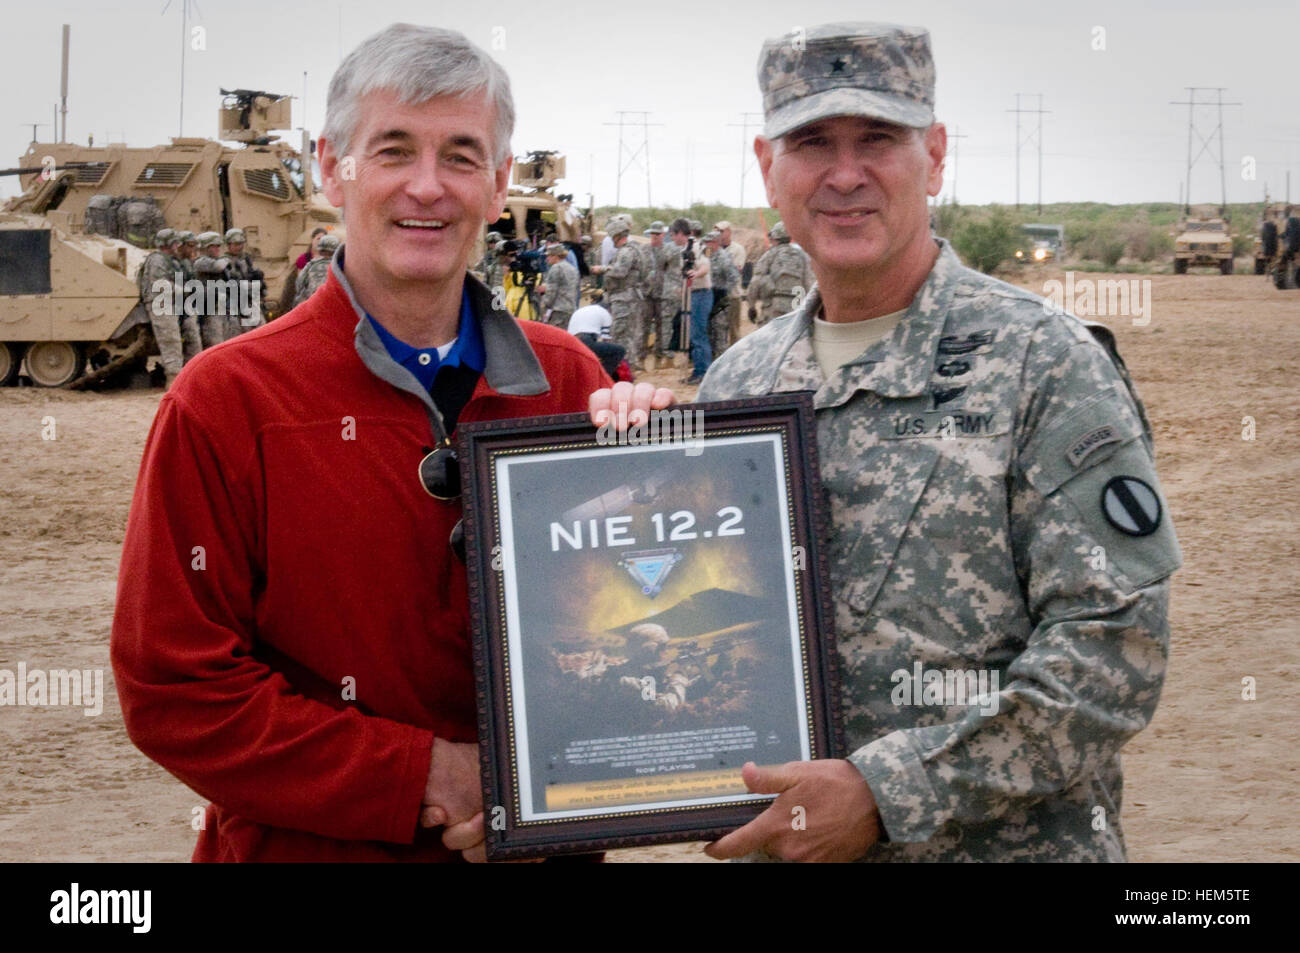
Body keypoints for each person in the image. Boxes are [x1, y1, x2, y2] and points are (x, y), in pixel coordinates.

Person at [111, 22, 667, 864]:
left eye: (461, 155)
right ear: (331, 168)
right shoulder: (226, 402)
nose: (427, 187)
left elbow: (632, 626)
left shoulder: (566, 383)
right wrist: (419, 776)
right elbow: (176, 688)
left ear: (500, 181)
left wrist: (674, 478)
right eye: (394, 150)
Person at [696, 22, 1182, 863]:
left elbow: (1115, 652)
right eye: (812, 142)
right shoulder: (737, 386)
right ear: (767, 167)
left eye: (878, 138)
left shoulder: (1043, 360)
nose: (846, 174)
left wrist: (891, 793)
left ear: (937, 154)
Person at [590, 218, 646, 370]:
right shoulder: (636, 249)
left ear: (617, 235)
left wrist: (602, 269)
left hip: (624, 298)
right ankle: (630, 364)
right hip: (630, 296)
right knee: (629, 333)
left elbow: (620, 271)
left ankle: (624, 366)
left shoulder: (626, 251)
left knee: (621, 334)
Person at [137, 228, 186, 383]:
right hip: (160, 303)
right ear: (169, 244)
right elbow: (160, 284)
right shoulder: (158, 259)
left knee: (174, 340)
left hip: (167, 302)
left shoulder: (166, 259)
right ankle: (173, 379)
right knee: (170, 341)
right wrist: (184, 290)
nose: (177, 246)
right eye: (175, 243)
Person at [748, 220, 813, 325]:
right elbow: (809, 282)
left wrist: (751, 306)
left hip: (773, 306)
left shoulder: (769, 255)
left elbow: (756, 281)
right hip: (796, 306)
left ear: (773, 238)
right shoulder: (802, 256)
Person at [655, 219, 688, 363]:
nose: (672, 238)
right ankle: (666, 354)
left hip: (688, 292)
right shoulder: (669, 248)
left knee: (683, 323)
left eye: (674, 235)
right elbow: (660, 266)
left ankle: (682, 352)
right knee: (667, 322)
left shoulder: (693, 247)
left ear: (680, 233)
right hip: (670, 292)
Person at [683, 229, 713, 385]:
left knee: (698, 334)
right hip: (692, 294)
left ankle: (703, 372)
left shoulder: (697, 247)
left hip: (701, 293)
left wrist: (696, 274)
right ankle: (698, 370)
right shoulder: (684, 249)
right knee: (693, 335)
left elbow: (705, 266)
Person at [224, 227, 266, 333]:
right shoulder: (224, 262)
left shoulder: (245, 258)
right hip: (234, 306)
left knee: (261, 331)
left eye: (241, 243)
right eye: (236, 244)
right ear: (229, 244)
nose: (240, 247)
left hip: (249, 302)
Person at [193, 231, 230, 349]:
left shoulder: (216, 261)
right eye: (214, 246)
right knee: (216, 344)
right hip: (209, 310)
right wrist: (227, 259)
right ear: (205, 247)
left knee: (226, 342)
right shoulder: (201, 261)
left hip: (220, 307)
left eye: (218, 246)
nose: (217, 249)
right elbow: (219, 266)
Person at [705, 227, 739, 356]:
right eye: (706, 242)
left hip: (720, 297)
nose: (707, 244)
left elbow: (734, 277)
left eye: (710, 242)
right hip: (707, 296)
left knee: (720, 330)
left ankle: (720, 358)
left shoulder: (724, 258)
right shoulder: (706, 255)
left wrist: (725, 293)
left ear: (717, 243)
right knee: (709, 330)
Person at [567, 303, 624, 379]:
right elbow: (606, 339)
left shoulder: (585, 309)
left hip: (571, 341)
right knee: (619, 351)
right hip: (585, 340)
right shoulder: (606, 314)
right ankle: (604, 378)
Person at [714, 220, 747, 342]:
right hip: (717, 295)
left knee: (734, 329)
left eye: (721, 231)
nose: (718, 234)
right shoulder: (713, 249)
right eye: (716, 231)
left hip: (733, 295)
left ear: (729, 232)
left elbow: (735, 270)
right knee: (717, 329)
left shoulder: (738, 249)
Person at [538, 242, 578, 328]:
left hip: (557, 310)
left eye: (549, 256)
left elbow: (551, 292)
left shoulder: (556, 268)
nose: (547, 259)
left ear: (555, 256)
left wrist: (544, 306)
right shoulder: (572, 269)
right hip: (570, 308)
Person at [294, 232, 339, 306]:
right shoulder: (339, 267)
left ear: (320, 250)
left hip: (312, 305)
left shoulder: (310, 265)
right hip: (333, 307)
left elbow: (299, 285)